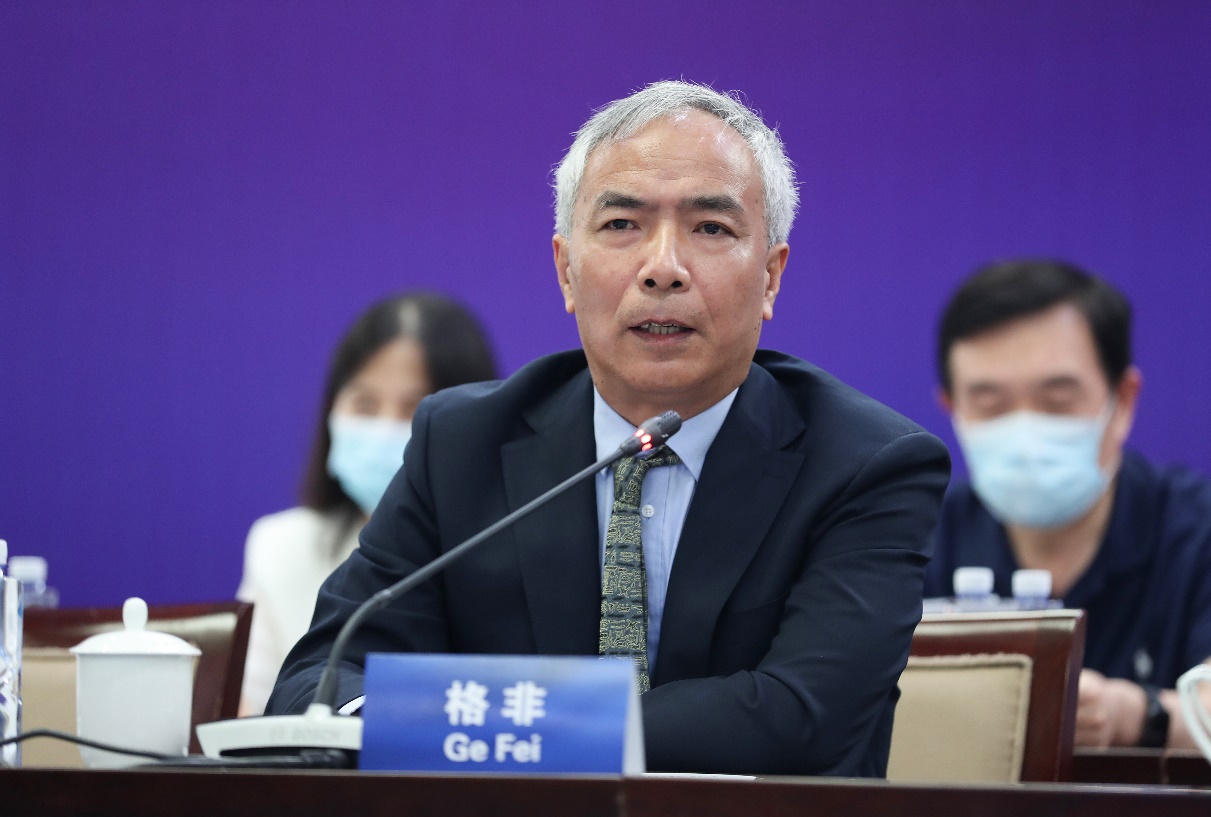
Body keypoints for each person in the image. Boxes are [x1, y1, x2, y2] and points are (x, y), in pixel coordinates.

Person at [269, 81, 950, 777]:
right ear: (566, 270)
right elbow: (318, 681)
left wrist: (500, 725)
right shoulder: (463, 442)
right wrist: (407, 723)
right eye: (623, 224)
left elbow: (800, 717)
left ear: (771, 278)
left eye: (710, 229)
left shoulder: (867, 464)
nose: (663, 269)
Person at [926, 259, 1211, 749]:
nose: (1025, 432)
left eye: (1057, 401)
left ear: (1123, 400)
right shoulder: (916, 535)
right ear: (952, 409)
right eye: (991, 404)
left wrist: (1133, 715)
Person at [235, 292, 498, 716]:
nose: (383, 429)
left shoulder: (509, 550)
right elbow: (248, 710)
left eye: (415, 408)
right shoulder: (279, 546)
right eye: (365, 404)